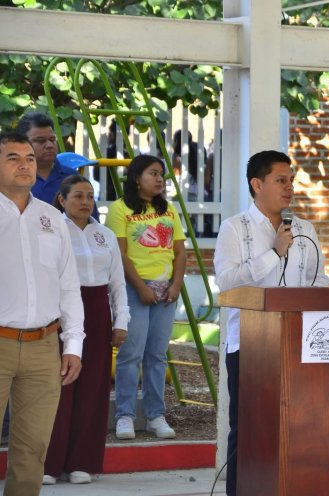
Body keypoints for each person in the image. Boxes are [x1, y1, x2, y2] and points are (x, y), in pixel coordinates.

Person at [213, 150, 329, 496]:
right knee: (249, 428)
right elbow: (228, 283)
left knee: (297, 426)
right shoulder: (235, 228)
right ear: (257, 184)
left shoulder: (304, 229)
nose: (289, 187)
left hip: (299, 345)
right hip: (249, 347)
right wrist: (273, 252)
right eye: (281, 180)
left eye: (292, 180)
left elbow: (318, 282)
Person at [0, 131, 84, 494]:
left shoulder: (52, 219)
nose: (25, 165)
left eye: (30, 158)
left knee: (32, 450)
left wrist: (73, 346)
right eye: (13, 158)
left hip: (43, 347)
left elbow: (69, 286)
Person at [42, 175, 129, 485]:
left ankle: (82, 462)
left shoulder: (104, 234)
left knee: (93, 389)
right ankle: (48, 465)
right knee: (58, 387)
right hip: (60, 313)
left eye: (90, 196)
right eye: (77, 196)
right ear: (62, 200)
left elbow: (117, 283)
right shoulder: (52, 233)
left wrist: (121, 321)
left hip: (98, 313)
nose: (85, 201)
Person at [105, 154, 186, 441]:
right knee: (130, 354)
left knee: (156, 355)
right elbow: (120, 254)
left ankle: (155, 416)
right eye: (153, 173)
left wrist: (176, 285)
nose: (160, 179)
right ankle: (125, 416)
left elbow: (179, 252)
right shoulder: (120, 209)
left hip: (166, 292)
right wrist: (140, 287)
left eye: (161, 174)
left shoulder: (169, 210)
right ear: (137, 178)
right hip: (134, 288)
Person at [16, 112, 100, 219]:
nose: (49, 145)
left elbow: (91, 223)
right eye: (40, 141)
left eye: (52, 139)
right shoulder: (10, 179)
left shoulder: (73, 178)